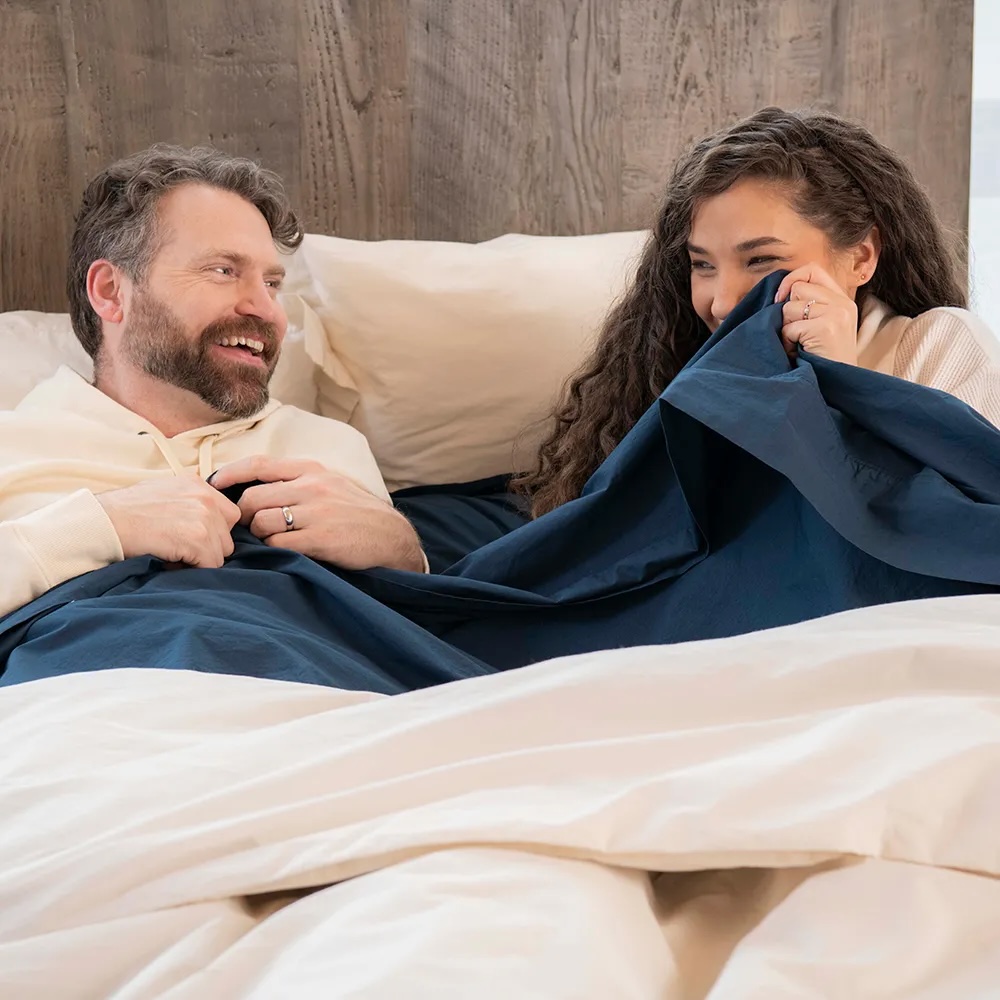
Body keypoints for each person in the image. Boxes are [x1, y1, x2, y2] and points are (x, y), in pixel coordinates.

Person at [0, 145, 426, 619]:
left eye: (271, 284)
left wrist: (404, 553)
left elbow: (418, 635)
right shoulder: (12, 445)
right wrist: (101, 528)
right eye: (223, 271)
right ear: (111, 292)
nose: (267, 311)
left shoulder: (327, 449)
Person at [514, 107, 1000, 518]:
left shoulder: (939, 345)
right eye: (702, 264)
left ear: (861, 257)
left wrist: (837, 382)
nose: (723, 302)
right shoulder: (684, 374)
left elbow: (945, 535)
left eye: (762, 260)